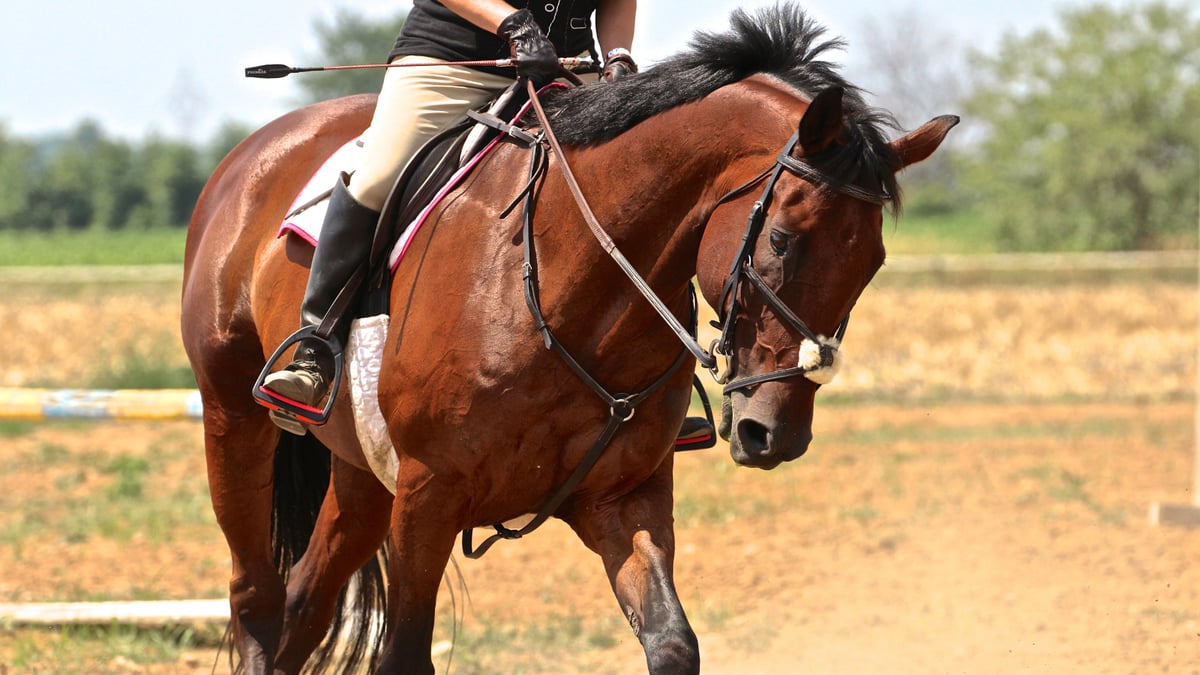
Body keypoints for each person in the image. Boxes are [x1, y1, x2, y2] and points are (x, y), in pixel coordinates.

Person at [261, 0, 639, 426]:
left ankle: (645, 375)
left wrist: (618, 56)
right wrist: (512, 24)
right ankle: (315, 352)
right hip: (455, 61)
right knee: (377, 178)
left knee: (632, 185)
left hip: (564, 68)